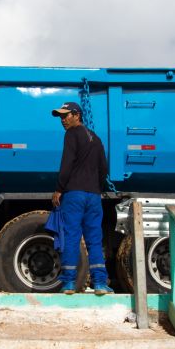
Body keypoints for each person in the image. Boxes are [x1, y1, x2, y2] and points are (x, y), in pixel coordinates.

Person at [51, 101, 112, 295]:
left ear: (77, 115)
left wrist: (59, 188)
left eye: (65, 115)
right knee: (94, 239)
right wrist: (96, 187)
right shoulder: (96, 138)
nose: (62, 120)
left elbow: (66, 163)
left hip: (74, 194)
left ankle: (69, 283)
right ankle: (100, 283)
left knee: (72, 237)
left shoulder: (71, 134)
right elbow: (104, 169)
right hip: (94, 197)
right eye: (60, 117)